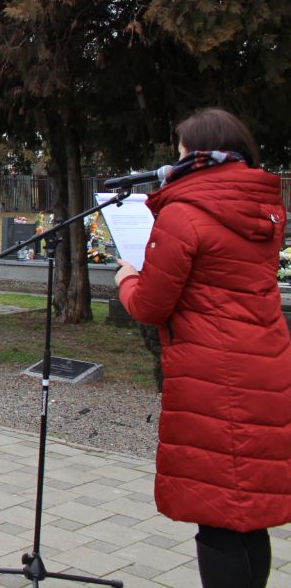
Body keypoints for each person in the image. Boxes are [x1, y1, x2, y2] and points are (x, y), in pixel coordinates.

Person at [115, 108, 291, 588]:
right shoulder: (263, 207)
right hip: (265, 365)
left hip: (213, 376)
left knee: (217, 514)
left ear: (196, 154)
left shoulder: (184, 213)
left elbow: (151, 305)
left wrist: (127, 279)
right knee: (248, 513)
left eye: (179, 151)